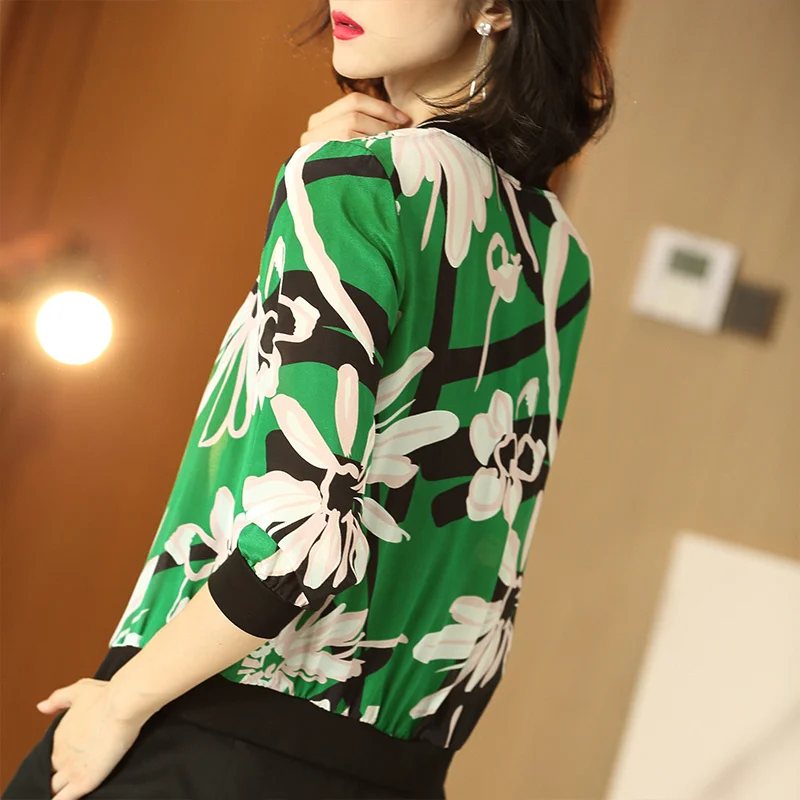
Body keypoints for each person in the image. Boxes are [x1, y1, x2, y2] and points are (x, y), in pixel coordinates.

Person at [4, 1, 614, 798]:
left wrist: (122, 701)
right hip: (393, 773)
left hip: (206, 738)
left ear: (496, 6)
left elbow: (302, 539)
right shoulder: (559, 257)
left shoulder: (351, 182)